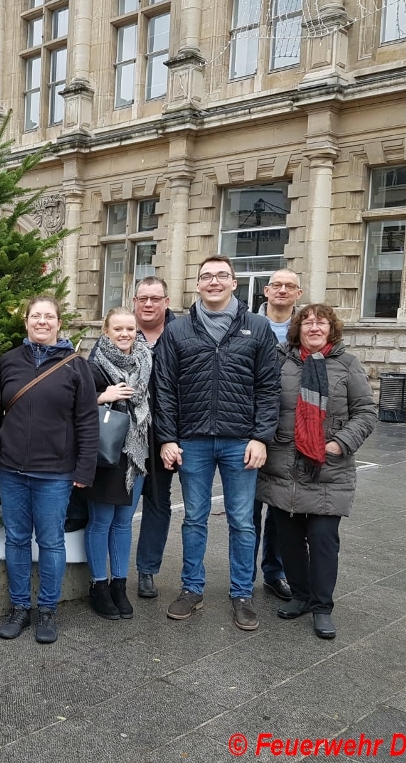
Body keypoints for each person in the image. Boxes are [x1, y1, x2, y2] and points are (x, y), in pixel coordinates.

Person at [155, 255, 280, 631]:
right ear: (197, 284)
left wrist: (261, 437)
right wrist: (167, 438)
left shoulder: (257, 328)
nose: (214, 282)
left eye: (221, 276)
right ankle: (191, 589)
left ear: (234, 283)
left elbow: (269, 388)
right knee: (194, 519)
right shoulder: (176, 331)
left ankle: (242, 593)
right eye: (206, 276)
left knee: (242, 522)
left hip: (240, 441)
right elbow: (164, 388)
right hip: (192, 440)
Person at [256, 304, 376, 640]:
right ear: (297, 329)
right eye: (307, 322)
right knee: (289, 541)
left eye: (320, 322)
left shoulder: (347, 364)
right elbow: (263, 401)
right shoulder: (280, 360)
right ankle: (301, 596)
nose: (313, 327)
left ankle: (322, 606)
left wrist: (340, 443)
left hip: (328, 468)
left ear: (331, 328)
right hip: (283, 467)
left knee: (323, 541)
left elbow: (366, 412)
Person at [0, 296, 98, 643]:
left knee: (52, 542)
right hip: (12, 470)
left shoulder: (75, 366)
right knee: (17, 540)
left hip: (55, 472)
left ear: (58, 323)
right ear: (26, 321)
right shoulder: (9, 361)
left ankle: (47, 610)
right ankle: (20, 607)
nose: (42, 321)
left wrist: (84, 469)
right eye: (36, 316)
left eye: (49, 316)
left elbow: (86, 420)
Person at [86, 307, 153, 621]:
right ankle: (99, 585)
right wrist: (101, 396)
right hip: (106, 454)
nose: (125, 335)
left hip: (136, 455)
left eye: (130, 329)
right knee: (101, 522)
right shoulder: (93, 364)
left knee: (124, 522)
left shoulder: (146, 360)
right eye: (118, 329)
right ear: (106, 331)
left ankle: (119, 585)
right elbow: (74, 406)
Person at [252, 268, 304, 602]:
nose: (282, 291)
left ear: (298, 294)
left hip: (289, 432)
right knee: (248, 508)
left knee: (282, 507)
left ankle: (275, 571)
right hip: (251, 429)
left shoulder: (307, 330)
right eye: (277, 285)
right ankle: (243, 573)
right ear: (266, 292)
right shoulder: (247, 325)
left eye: (290, 286)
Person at [130, 276, 177, 600]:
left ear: (166, 301)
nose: (148, 304)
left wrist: (173, 438)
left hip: (165, 436)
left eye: (155, 298)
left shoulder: (181, 335)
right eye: (143, 298)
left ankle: (147, 569)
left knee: (158, 504)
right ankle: (108, 571)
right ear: (135, 302)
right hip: (126, 436)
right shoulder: (121, 331)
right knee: (118, 503)